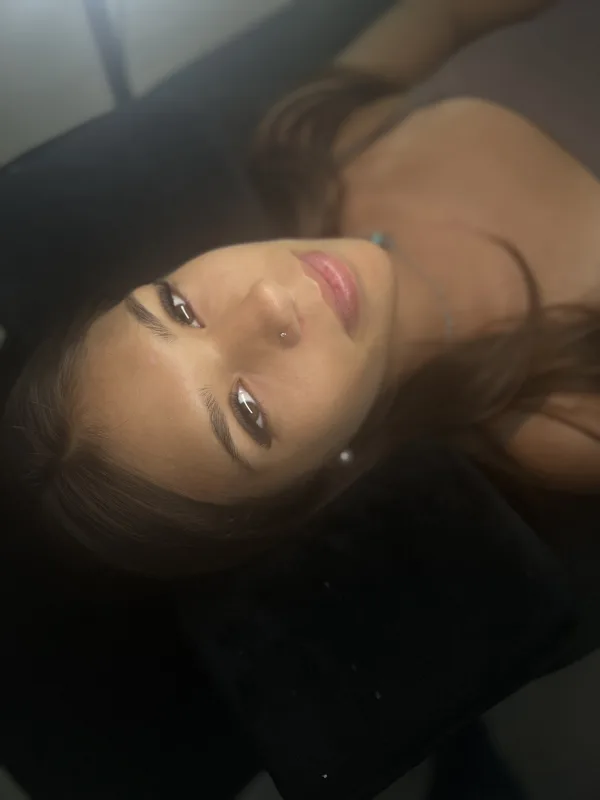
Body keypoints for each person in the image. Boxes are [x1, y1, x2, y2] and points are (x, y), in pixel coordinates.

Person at [3, 0, 600, 576]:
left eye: (178, 307)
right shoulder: (557, 421)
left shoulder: (312, 134)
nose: (266, 304)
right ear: (320, 477)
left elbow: (448, 13)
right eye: (248, 412)